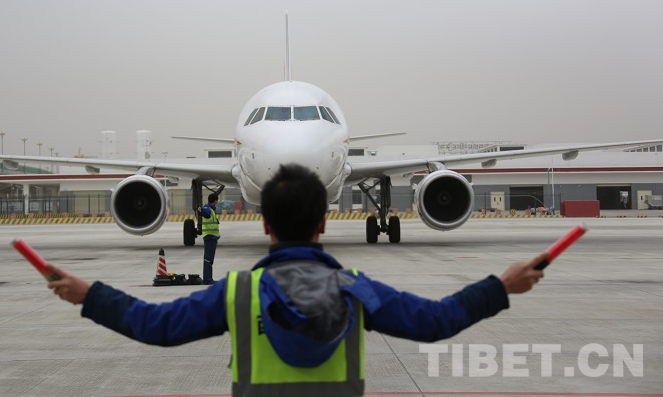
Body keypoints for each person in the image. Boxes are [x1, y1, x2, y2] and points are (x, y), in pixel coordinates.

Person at [47, 164, 547, 396]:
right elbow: (437, 321)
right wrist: (501, 286)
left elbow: (153, 325)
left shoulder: (237, 292)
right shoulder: (356, 288)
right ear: (325, 222)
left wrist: (89, 294)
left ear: (264, 223)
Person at [198, 192, 220, 284]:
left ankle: (208, 278)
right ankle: (207, 279)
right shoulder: (208, 209)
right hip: (209, 237)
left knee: (210, 259)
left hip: (212, 237)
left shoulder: (211, 210)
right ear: (215, 201)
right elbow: (204, 212)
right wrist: (201, 210)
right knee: (208, 259)